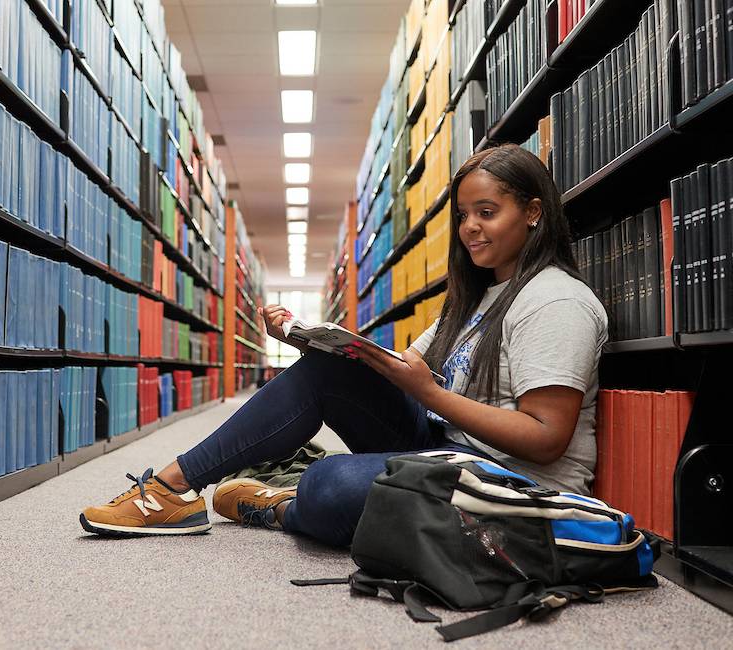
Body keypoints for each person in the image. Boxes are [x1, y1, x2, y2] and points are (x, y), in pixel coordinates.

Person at [79, 144, 609, 545]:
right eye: (463, 216)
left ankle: (281, 507)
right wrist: (317, 343)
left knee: (330, 482)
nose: (470, 228)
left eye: (487, 213)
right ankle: (172, 489)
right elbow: (407, 368)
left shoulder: (556, 303)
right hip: (451, 449)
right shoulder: (479, 296)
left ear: (534, 213)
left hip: (513, 487)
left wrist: (431, 395)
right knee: (326, 375)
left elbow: (546, 439)